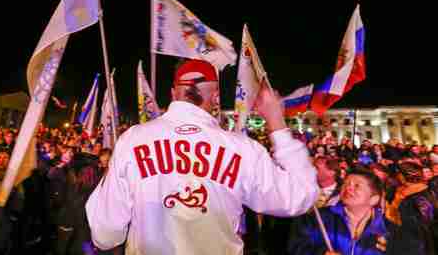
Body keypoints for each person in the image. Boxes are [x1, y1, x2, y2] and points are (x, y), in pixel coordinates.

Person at [86, 59, 319, 255]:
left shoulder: (132, 140)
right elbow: (300, 195)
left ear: (173, 94)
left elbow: (105, 234)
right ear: (216, 97)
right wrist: (276, 123)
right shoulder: (241, 149)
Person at [288, 167, 422, 255]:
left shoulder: (389, 231)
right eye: (346, 184)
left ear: (373, 199)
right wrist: (320, 253)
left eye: (357, 186)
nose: (349, 188)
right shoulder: (318, 219)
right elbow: (295, 247)